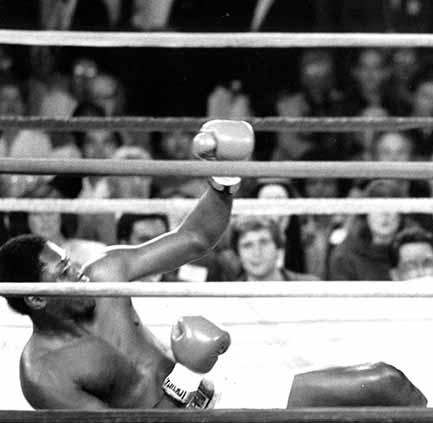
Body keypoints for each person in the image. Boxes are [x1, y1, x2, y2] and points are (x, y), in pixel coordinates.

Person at [0, 120, 254, 409]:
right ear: (35, 297)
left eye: (70, 262)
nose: (79, 272)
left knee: (316, 390)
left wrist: (223, 180)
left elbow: (196, 238)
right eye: (64, 272)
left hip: (216, 395)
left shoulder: (105, 274)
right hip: (184, 405)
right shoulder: (43, 373)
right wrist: (187, 376)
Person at [230, 216, 318, 282]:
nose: (257, 252)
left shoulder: (310, 286)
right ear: (238, 254)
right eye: (247, 246)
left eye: (264, 242)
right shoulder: (228, 296)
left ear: (278, 248)